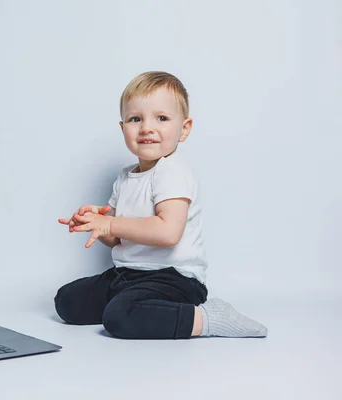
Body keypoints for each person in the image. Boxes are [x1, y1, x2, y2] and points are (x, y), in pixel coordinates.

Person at [56, 71, 267, 339]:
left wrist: (110, 222)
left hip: (174, 279)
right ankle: (142, 308)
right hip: (128, 274)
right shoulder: (126, 176)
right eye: (135, 119)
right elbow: (119, 238)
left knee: (119, 318)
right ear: (123, 129)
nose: (146, 128)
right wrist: (97, 226)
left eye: (162, 118)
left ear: (184, 128)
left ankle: (207, 318)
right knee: (67, 301)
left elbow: (168, 233)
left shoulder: (172, 171)